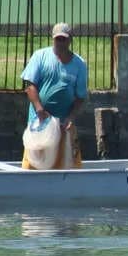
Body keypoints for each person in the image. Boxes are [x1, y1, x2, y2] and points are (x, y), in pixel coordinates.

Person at [20, 23, 88, 169]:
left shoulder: (79, 64)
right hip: (40, 124)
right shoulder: (40, 56)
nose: (60, 43)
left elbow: (80, 97)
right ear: (53, 39)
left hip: (64, 125)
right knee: (33, 166)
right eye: (58, 39)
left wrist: (71, 117)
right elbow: (30, 87)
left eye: (64, 39)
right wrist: (39, 110)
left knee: (67, 166)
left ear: (70, 40)